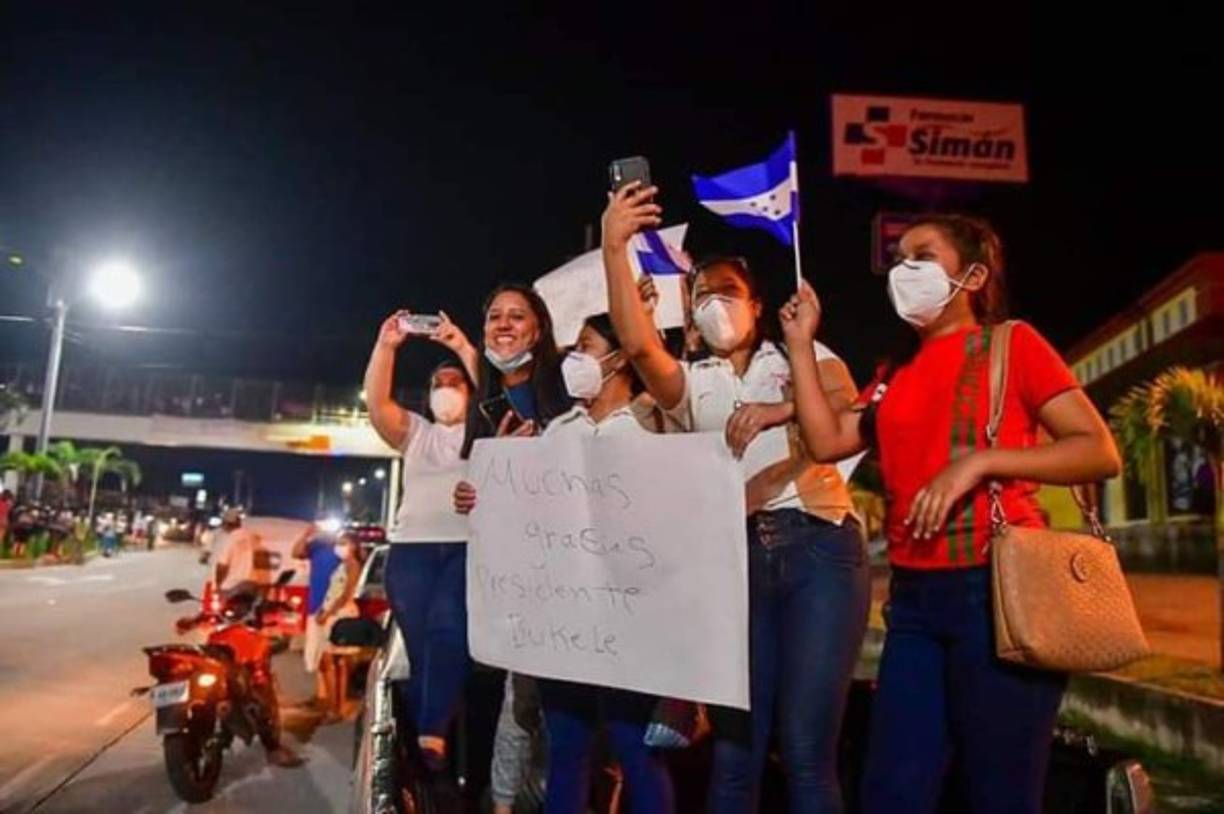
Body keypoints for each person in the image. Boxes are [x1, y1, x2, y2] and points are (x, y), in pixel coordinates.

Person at [779, 214, 1121, 814]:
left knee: (998, 795)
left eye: (922, 256)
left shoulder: (1011, 344)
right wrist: (802, 345)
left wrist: (981, 461)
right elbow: (827, 439)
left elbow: (1097, 449)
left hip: (995, 595)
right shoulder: (894, 376)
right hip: (913, 607)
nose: (902, 270)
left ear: (973, 276)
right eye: (899, 259)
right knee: (892, 791)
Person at [602, 182, 870, 813]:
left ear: (757, 304)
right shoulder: (689, 383)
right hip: (730, 565)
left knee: (806, 750)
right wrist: (617, 246)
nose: (714, 304)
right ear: (687, 313)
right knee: (734, 753)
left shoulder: (803, 355)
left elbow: (846, 412)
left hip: (821, 552)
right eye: (701, 295)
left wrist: (782, 408)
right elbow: (639, 346)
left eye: (727, 292)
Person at [455, 314, 675, 814]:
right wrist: (481, 490)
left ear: (620, 358)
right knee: (567, 750)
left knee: (635, 749)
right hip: (568, 622)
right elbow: (523, 508)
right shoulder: (556, 432)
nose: (574, 358)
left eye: (586, 346)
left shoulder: (655, 428)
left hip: (629, 623)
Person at [364, 308, 479, 774]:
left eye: (455, 382)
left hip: (465, 548)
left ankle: (431, 739)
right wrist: (386, 346)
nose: (446, 389)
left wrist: (460, 346)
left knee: (449, 625)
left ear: (472, 392)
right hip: (411, 550)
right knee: (420, 648)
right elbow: (377, 403)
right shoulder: (417, 434)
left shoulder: (486, 430)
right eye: (438, 383)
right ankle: (425, 740)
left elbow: (498, 390)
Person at [315, 531, 366, 723]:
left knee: (330, 661)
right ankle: (335, 706)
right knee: (336, 663)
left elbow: (345, 595)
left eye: (344, 543)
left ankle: (334, 708)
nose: (340, 546)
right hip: (333, 612)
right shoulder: (343, 565)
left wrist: (327, 613)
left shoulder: (352, 566)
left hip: (341, 614)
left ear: (353, 545)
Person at [292, 522, 339, 708]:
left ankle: (332, 704)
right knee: (316, 658)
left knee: (329, 659)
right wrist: (307, 534)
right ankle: (322, 696)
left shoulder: (341, 552)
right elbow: (296, 553)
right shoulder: (315, 548)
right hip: (315, 607)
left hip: (331, 610)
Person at [213, 508, 272, 592]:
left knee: (226, 604)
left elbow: (222, 566)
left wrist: (218, 585)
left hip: (232, 585)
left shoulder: (231, 539)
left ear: (226, 524)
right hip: (252, 584)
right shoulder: (252, 537)